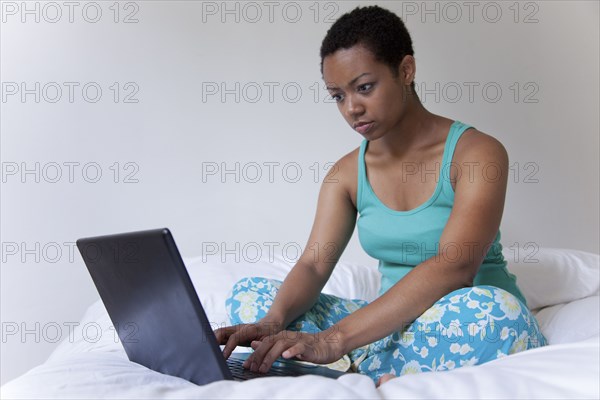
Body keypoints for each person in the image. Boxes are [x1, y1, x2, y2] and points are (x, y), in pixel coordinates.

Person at [214, 5, 547, 385]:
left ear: (406, 70)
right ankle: (381, 369)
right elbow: (313, 265)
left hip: (461, 320)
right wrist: (272, 323)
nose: (352, 108)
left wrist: (333, 340)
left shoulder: (477, 154)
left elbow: (454, 267)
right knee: (252, 294)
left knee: (497, 314)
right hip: (387, 325)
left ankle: (346, 365)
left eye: (365, 87)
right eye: (338, 95)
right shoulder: (345, 174)